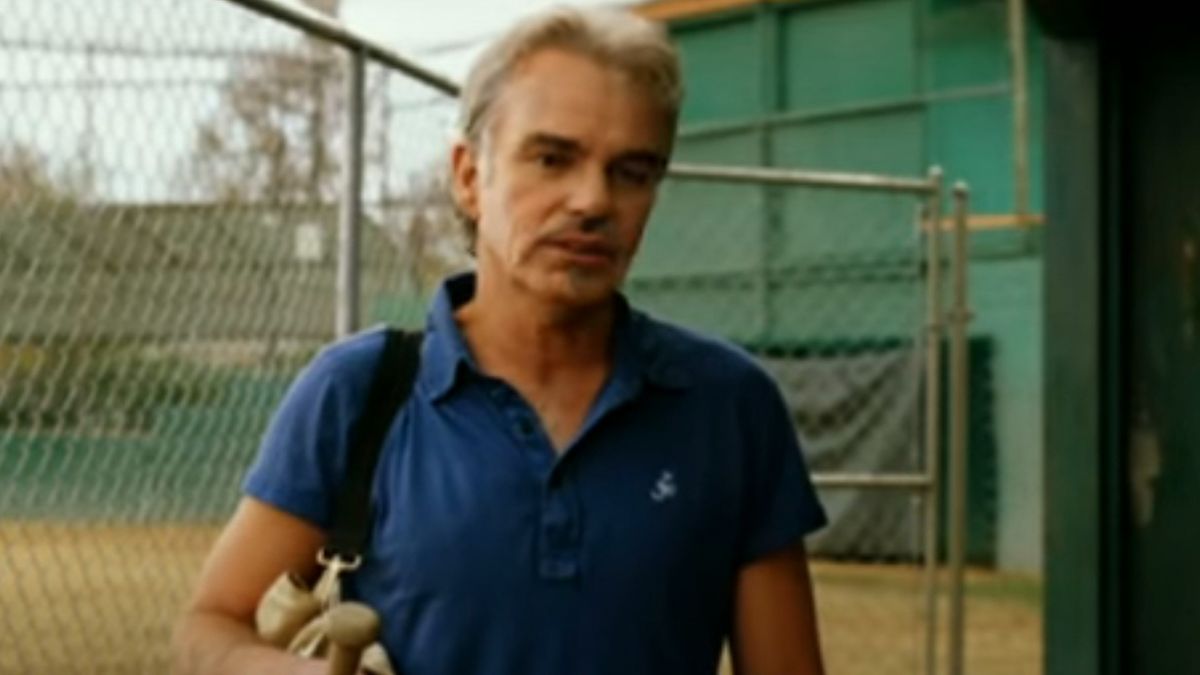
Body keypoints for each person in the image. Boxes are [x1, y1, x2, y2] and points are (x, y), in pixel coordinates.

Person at [172, 6, 827, 675]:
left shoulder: (729, 405)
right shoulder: (361, 390)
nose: (592, 200)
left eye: (632, 171)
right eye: (552, 157)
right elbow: (209, 626)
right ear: (467, 175)